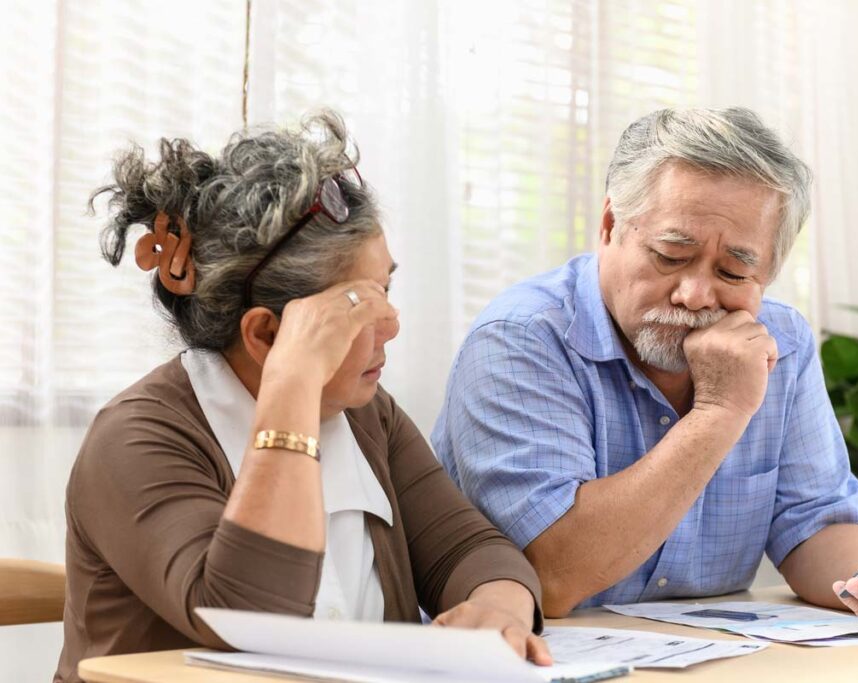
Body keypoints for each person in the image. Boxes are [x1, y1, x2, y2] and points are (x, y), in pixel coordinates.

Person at [55, 111, 550, 683]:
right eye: (358, 307)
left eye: (387, 289)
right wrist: (290, 384)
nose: (392, 325)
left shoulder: (366, 413)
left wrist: (500, 608)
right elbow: (249, 617)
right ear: (266, 335)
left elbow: (470, 548)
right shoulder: (135, 437)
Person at [432, 107, 858, 621]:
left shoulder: (784, 341)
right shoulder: (520, 339)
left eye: (733, 272)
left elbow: (813, 525)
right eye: (670, 255)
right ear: (611, 223)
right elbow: (556, 575)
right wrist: (720, 410)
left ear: (770, 271)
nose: (694, 294)